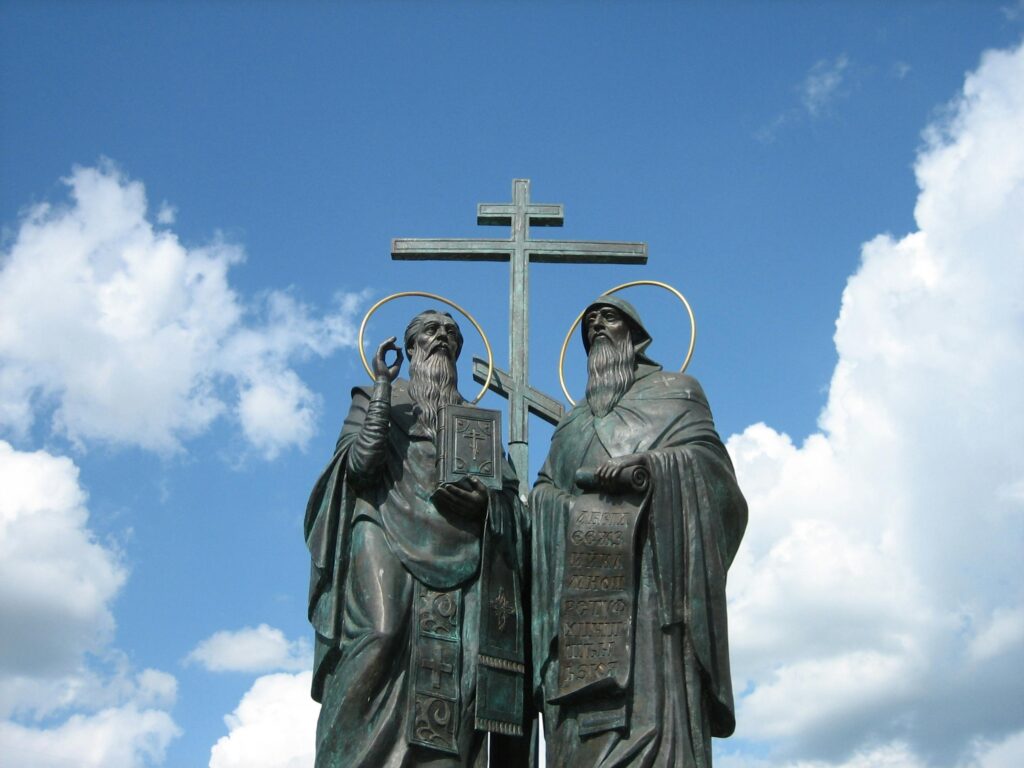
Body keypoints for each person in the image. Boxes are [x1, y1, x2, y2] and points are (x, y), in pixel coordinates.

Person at [530, 296, 747, 767]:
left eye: (608, 318)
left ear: (636, 335)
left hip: (652, 587)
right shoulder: (571, 423)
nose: (597, 326)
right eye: (590, 322)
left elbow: (714, 475)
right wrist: (566, 507)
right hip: (580, 597)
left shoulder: (677, 392)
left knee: (653, 714)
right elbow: (544, 489)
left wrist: (650, 466)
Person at [305, 310, 527, 768]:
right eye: (431, 330)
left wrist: (486, 504)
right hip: (383, 525)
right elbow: (358, 468)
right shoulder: (377, 397)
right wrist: (382, 390)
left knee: (456, 667)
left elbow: (511, 503)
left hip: (459, 550)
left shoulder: (474, 424)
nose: (442, 337)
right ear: (410, 348)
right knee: (381, 634)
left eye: (451, 333)